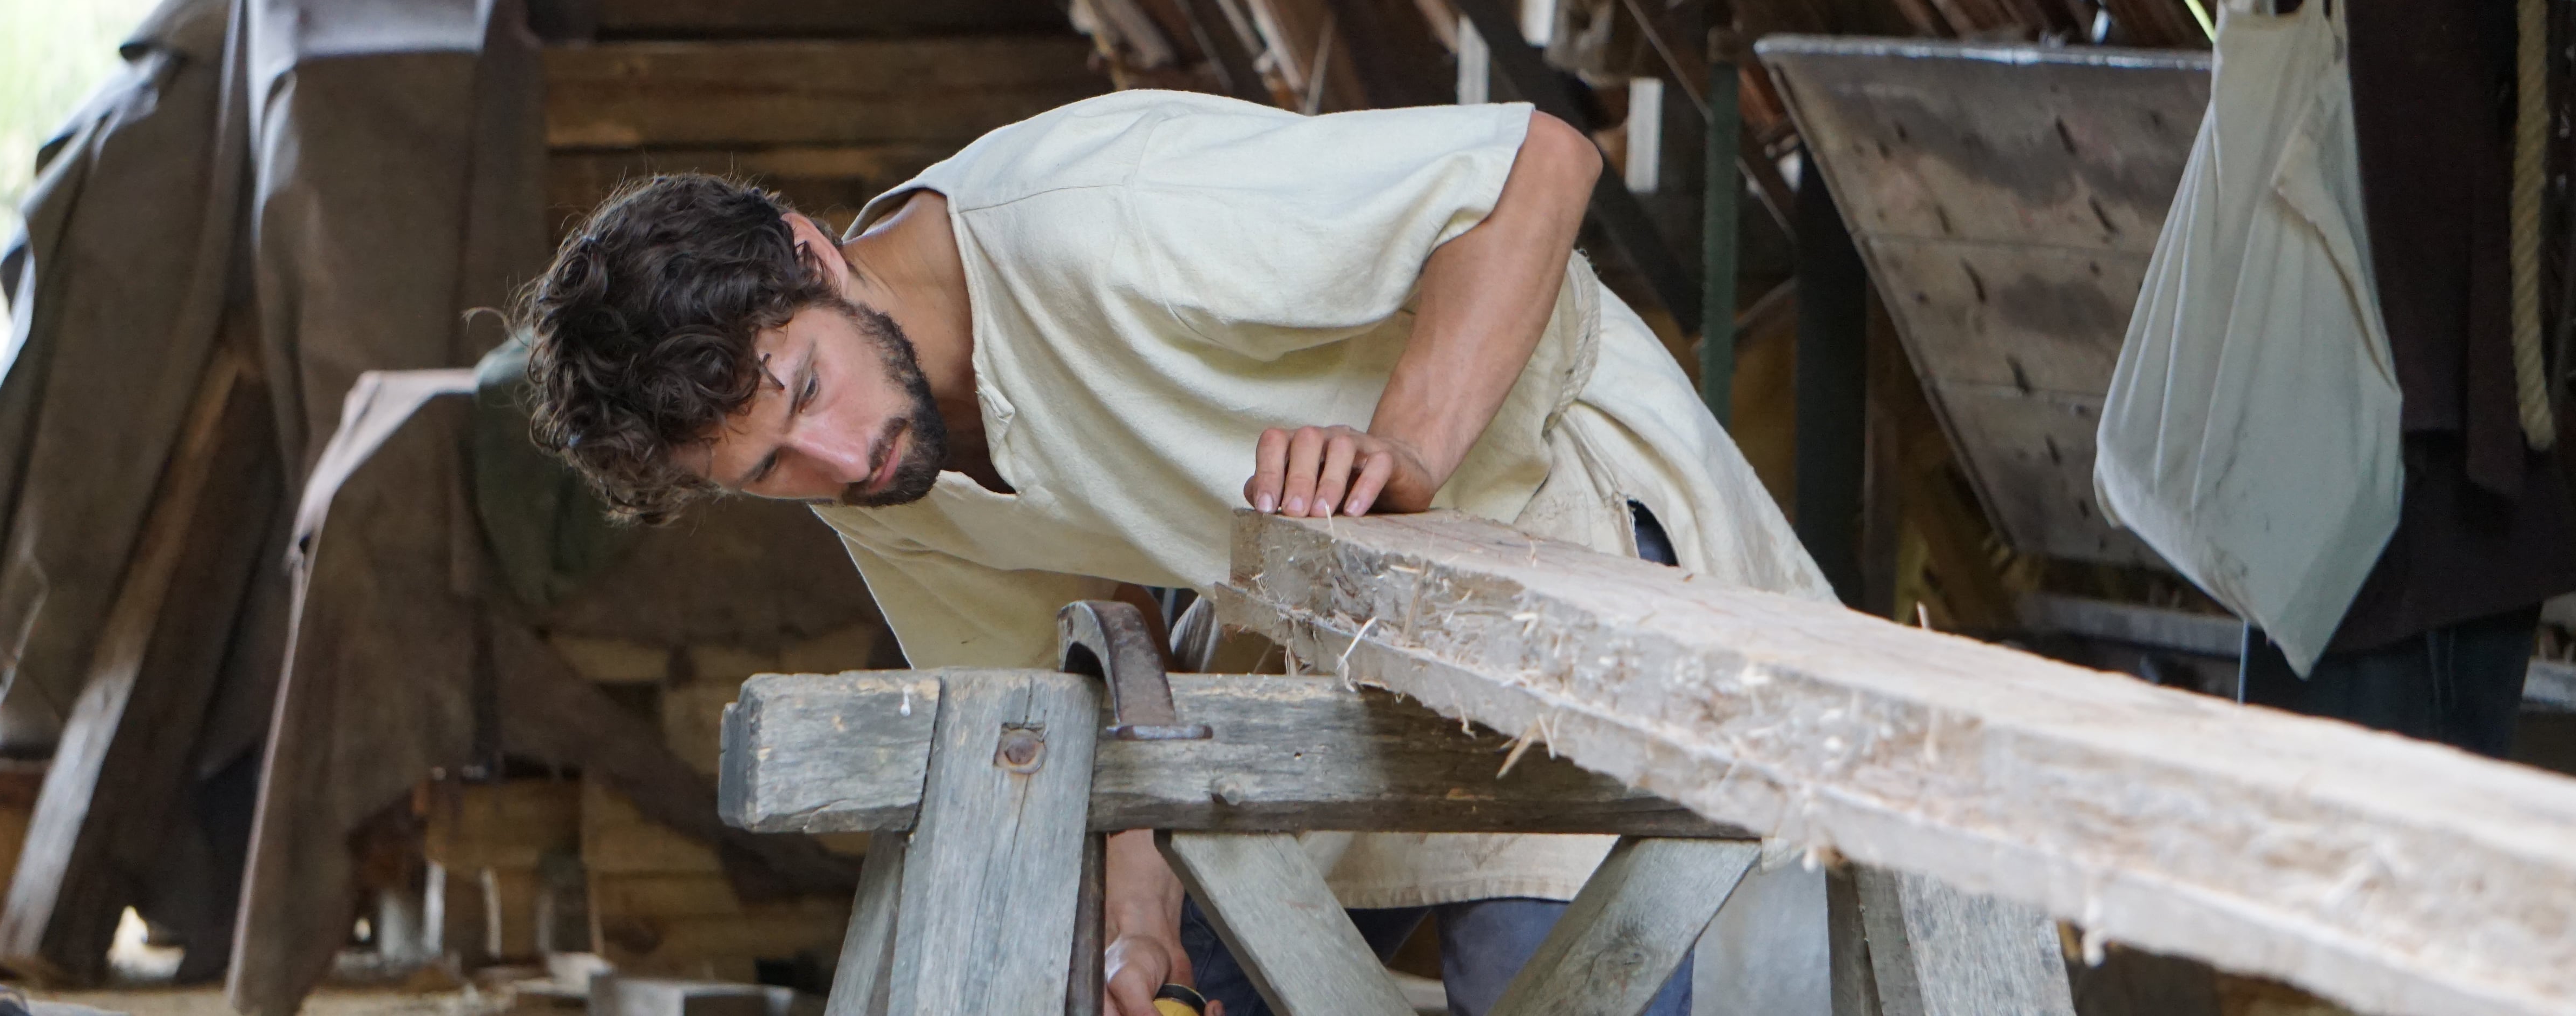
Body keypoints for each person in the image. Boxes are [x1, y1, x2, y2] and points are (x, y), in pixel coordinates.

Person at [519, 91, 1829, 1016]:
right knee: (1178, 975)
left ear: (815, 255)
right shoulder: (876, 468)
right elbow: (1088, 668)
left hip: (1549, 528)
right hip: (1298, 617)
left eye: (808, 392)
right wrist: (1139, 917)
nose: (836, 462)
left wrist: (1408, 447)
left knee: (1548, 978)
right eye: (764, 475)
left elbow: (1534, 165)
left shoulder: (1100, 218)